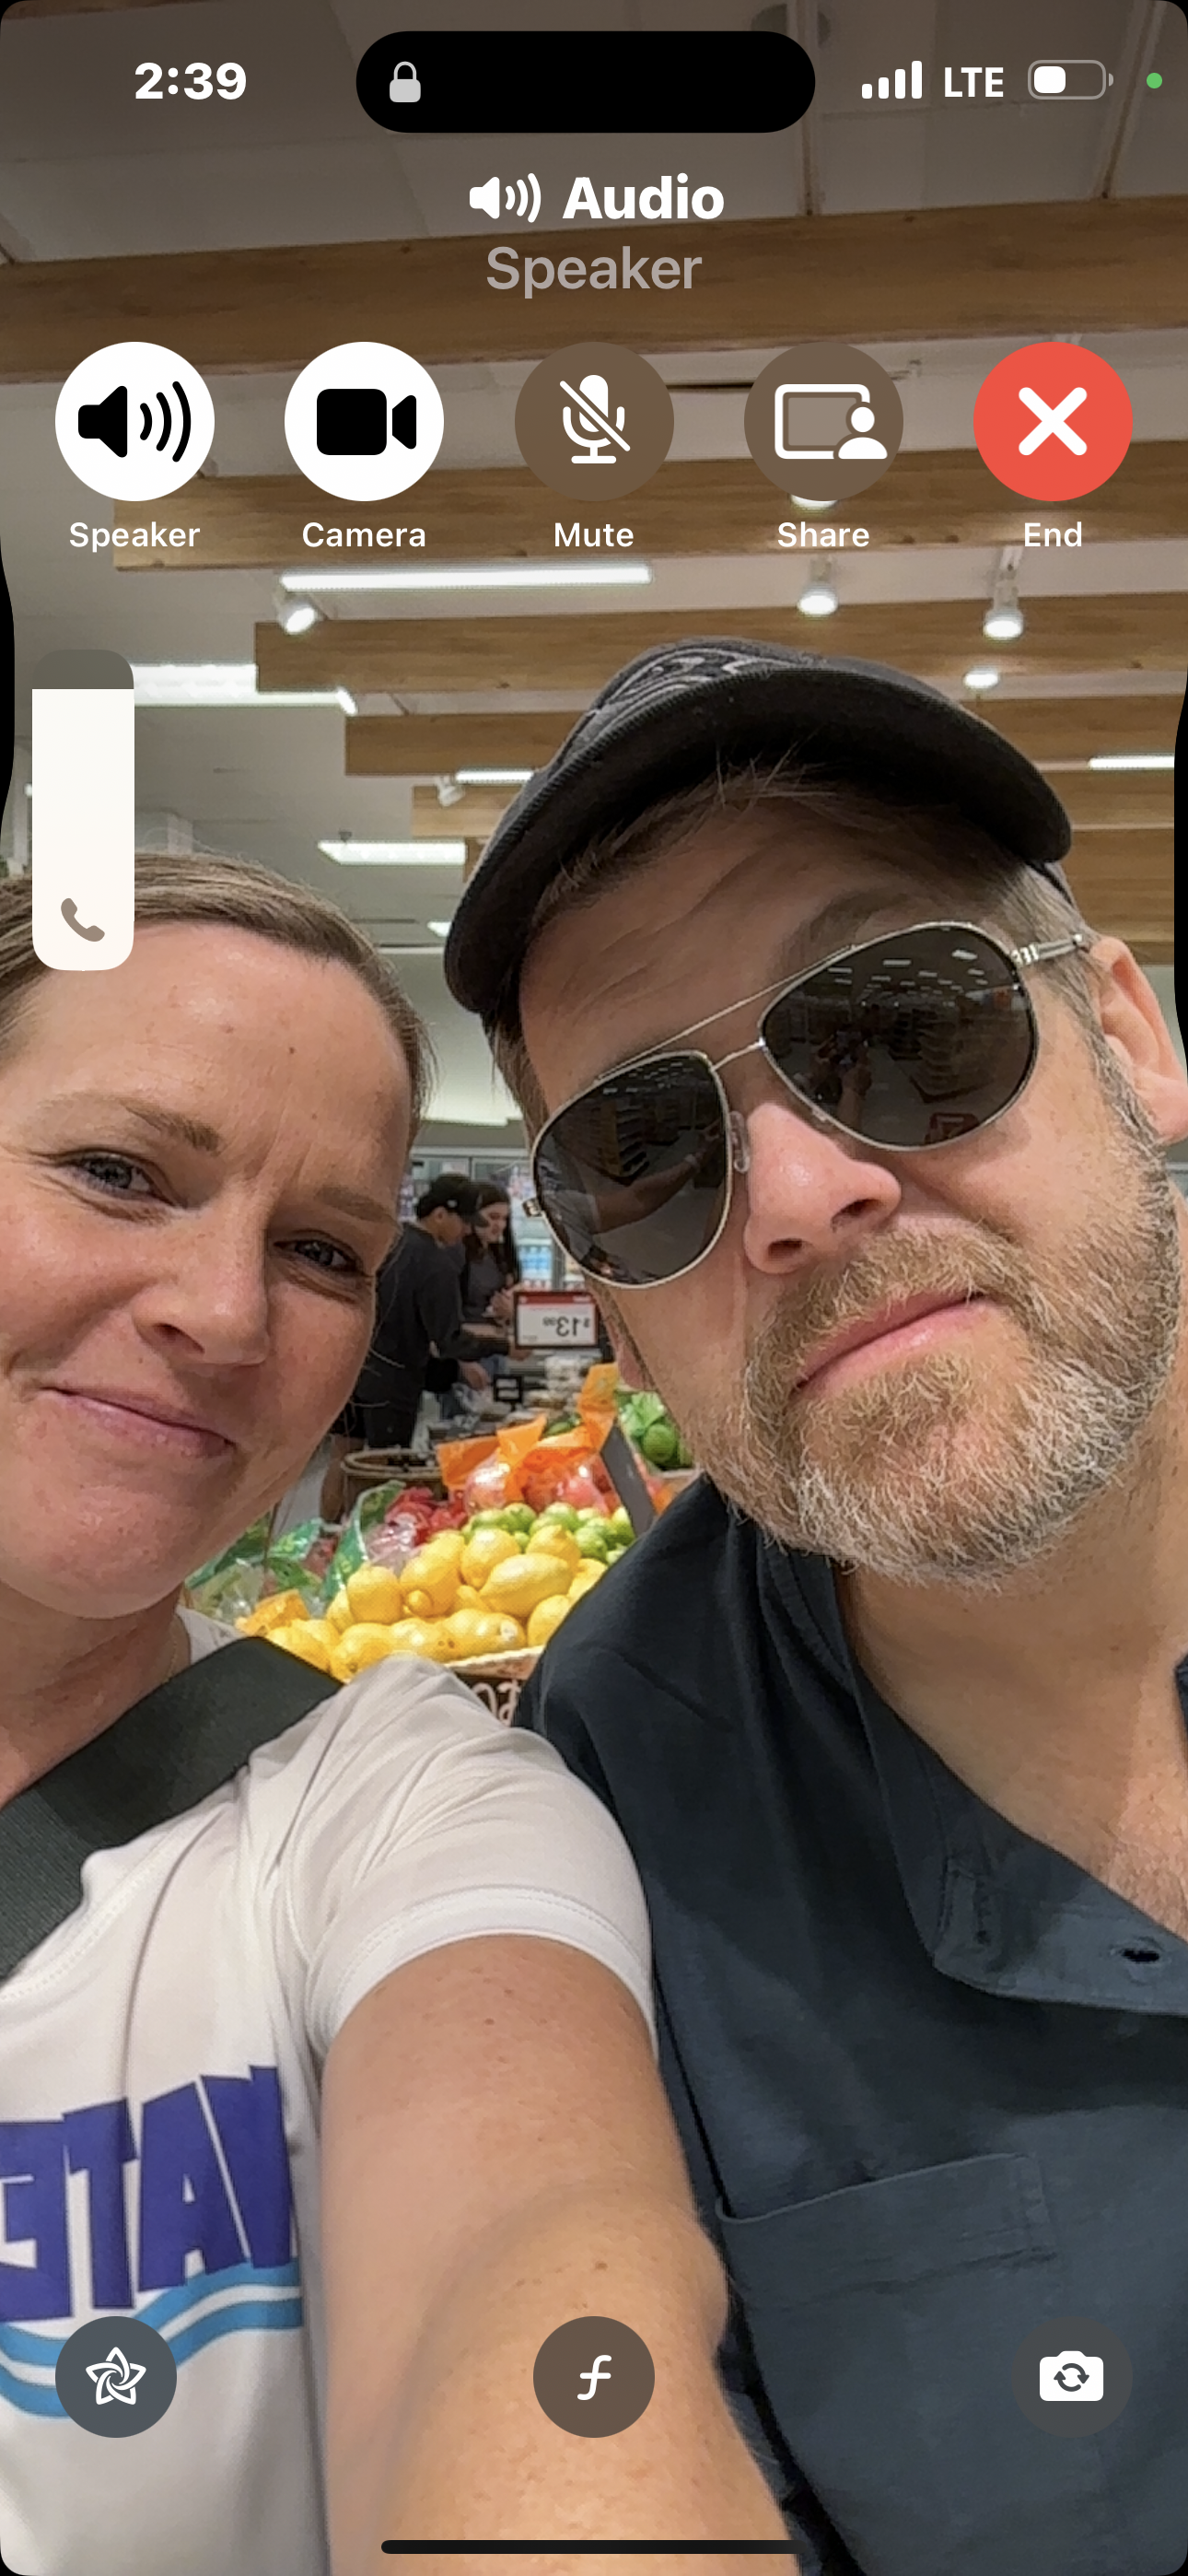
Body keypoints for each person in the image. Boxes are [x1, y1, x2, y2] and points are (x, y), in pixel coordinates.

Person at [444, 638, 1188, 2576]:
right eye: (645, 1152)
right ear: (609, 1299)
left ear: (1131, 1035)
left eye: (901, 1027)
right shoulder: (616, 1781)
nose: (793, 1191)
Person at [0, 854, 788, 2576]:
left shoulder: (408, 1807)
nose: (220, 1314)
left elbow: (528, 2253)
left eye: (319, 1249)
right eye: (117, 1172)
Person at [320, 1175, 507, 1512]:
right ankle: (372, 1545)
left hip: (350, 1368)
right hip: (393, 1380)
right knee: (386, 1469)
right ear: (439, 1215)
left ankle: (327, 1537)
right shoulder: (435, 1264)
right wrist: (504, 1345)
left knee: (343, 1454)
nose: (466, 1232)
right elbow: (450, 1341)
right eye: (463, 1222)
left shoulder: (388, 1242)